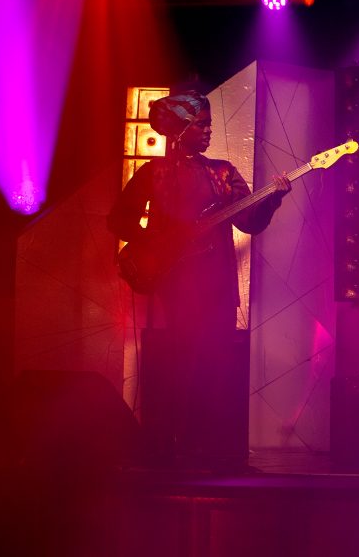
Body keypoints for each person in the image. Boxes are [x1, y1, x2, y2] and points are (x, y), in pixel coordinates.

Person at [108, 91, 290, 470]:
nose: (208, 131)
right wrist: (155, 239)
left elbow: (249, 221)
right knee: (176, 366)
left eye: (209, 124)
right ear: (179, 129)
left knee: (215, 367)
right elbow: (118, 221)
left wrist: (273, 199)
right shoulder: (153, 173)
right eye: (201, 124)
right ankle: (168, 446)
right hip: (175, 286)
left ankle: (209, 451)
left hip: (218, 287)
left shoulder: (222, 173)